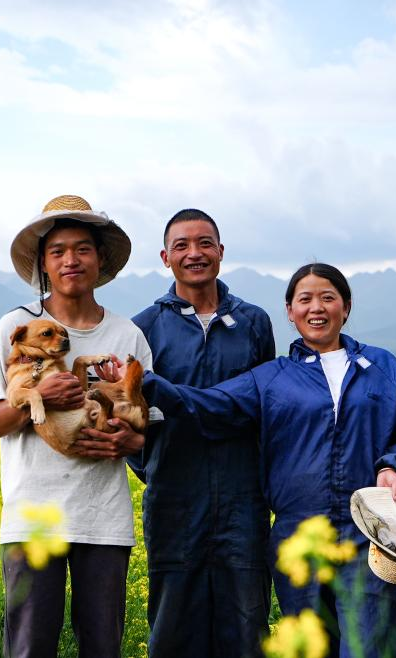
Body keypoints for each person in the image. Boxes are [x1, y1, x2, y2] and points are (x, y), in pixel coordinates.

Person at [138, 262, 396, 658]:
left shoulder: (382, 367)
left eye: (328, 297)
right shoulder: (271, 377)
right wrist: (144, 381)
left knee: (370, 644)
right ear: (290, 312)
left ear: (345, 307)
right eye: (305, 299)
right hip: (299, 535)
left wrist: (394, 465)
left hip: (370, 531)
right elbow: (207, 404)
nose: (317, 307)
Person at [0, 194, 152, 658]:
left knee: (103, 645)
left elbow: (144, 425)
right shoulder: (15, 327)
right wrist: (45, 398)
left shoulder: (127, 335)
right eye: (57, 251)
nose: (70, 260)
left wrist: (127, 439)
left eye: (82, 249)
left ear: (100, 260)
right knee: (30, 647)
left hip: (103, 519)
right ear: (43, 265)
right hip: (32, 518)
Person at [125, 209, 275, 657]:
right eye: (182, 246)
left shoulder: (254, 322)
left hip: (242, 495)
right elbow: (134, 411)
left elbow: (265, 406)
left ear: (221, 252)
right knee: (174, 620)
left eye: (205, 243)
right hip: (174, 494)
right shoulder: (145, 327)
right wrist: (154, 466)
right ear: (165, 257)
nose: (195, 253)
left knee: (247, 618)